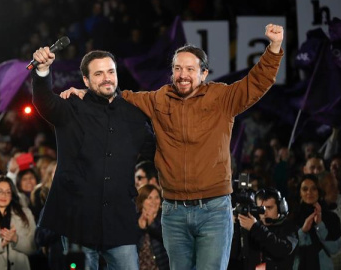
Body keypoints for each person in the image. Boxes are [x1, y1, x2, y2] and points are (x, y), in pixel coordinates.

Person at [61, 24, 284, 269]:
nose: (182, 74)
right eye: (177, 68)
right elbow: (121, 97)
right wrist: (87, 92)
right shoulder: (158, 99)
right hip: (173, 213)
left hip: (214, 210)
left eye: (190, 69)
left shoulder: (222, 98)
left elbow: (257, 82)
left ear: (204, 73)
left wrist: (273, 48)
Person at [31, 48, 154, 269]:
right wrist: (42, 70)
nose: (107, 78)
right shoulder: (71, 106)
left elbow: (154, 151)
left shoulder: (134, 115)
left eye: (111, 71)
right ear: (86, 80)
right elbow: (45, 103)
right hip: (78, 221)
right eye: (98, 74)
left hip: (120, 221)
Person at [237, 187, 298, 269]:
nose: (264, 213)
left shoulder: (289, 227)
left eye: (269, 208)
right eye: (260, 209)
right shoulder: (252, 226)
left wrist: (255, 228)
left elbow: (281, 250)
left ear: (280, 207)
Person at [292, 174, 341, 270]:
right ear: (300, 193)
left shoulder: (332, 217)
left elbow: (334, 249)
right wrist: (303, 231)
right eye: (305, 189)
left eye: (314, 188)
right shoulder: (293, 218)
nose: (309, 192)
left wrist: (320, 225)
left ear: (319, 191)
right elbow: (290, 249)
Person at [136, 184, 169, 270]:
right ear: (142, 201)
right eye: (149, 198)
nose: (154, 201)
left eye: (157, 197)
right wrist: (140, 227)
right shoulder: (134, 218)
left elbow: (166, 238)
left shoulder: (165, 217)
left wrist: (151, 223)